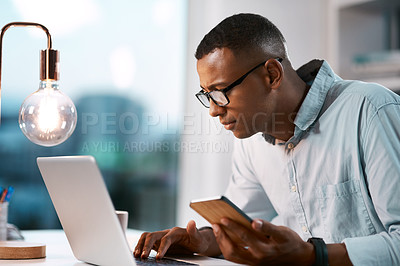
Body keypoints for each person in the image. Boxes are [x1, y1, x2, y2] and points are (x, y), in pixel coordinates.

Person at [134, 13, 400, 265]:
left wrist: (311, 256)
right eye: (207, 95)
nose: (214, 109)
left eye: (220, 92)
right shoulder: (251, 140)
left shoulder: (371, 111)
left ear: (272, 74)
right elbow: (242, 226)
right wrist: (199, 241)